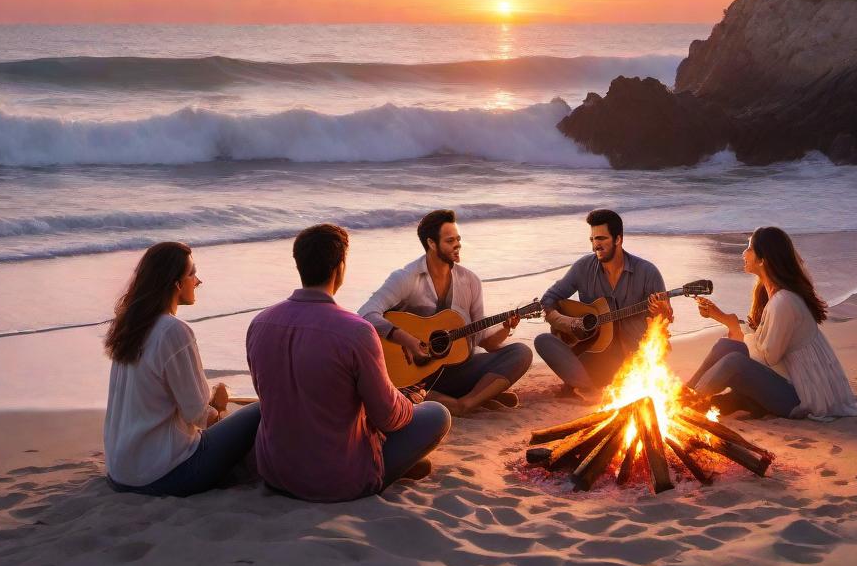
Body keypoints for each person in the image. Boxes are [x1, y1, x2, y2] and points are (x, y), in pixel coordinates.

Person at [247, 224, 451, 502]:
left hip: (275, 473)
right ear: (340, 267)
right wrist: (407, 400)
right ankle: (396, 463)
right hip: (338, 481)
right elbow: (389, 418)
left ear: (299, 264)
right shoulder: (355, 331)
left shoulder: (260, 323)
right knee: (436, 414)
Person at [104, 242, 261, 496]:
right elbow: (199, 416)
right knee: (262, 409)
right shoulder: (173, 331)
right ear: (176, 283)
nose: (198, 281)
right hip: (165, 474)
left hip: (121, 472)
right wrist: (219, 406)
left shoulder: (130, 327)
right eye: (192, 274)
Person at [688, 226, 857, 420]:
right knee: (726, 346)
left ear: (763, 260)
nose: (744, 253)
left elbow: (769, 357)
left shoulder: (784, 302)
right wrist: (726, 321)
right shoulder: (772, 294)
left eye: (750, 248)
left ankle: (687, 404)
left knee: (734, 361)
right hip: (786, 381)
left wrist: (733, 326)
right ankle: (683, 395)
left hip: (802, 396)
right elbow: (761, 349)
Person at [359, 209, 532, 417]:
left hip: (456, 370)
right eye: (450, 241)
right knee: (391, 387)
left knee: (521, 353)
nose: (457, 244)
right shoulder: (406, 277)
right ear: (432, 244)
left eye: (458, 239)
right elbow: (366, 313)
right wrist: (408, 340)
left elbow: (482, 340)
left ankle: (465, 403)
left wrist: (506, 328)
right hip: (413, 375)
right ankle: (478, 396)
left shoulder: (470, 281)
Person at [535, 208, 671, 395]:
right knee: (543, 341)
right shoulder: (583, 267)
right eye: (592, 239)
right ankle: (588, 388)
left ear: (618, 239)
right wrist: (568, 323)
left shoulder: (648, 272)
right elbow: (548, 299)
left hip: (633, 358)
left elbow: (665, 321)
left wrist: (662, 312)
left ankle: (582, 386)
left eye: (601, 239)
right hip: (593, 355)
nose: (595, 246)